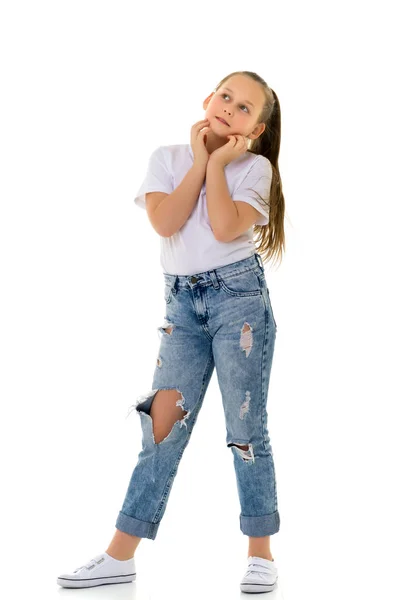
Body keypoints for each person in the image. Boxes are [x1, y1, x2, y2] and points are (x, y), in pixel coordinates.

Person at [57, 70, 286, 594]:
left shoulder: (255, 168)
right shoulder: (167, 157)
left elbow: (227, 228)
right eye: (225, 96)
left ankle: (261, 552)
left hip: (239, 305)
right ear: (208, 98)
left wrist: (223, 163)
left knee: (245, 429)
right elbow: (167, 223)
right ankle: (120, 555)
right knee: (161, 430)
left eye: (245, 107)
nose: (230, 107)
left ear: (257, 128)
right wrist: (202, 161)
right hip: (181, 307)